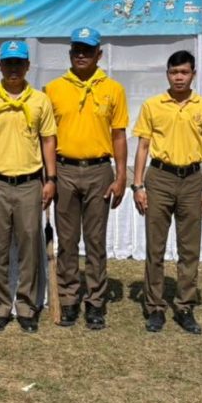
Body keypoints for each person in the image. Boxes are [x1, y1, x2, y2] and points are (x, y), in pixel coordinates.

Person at [43, 27, 128, 330]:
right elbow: (46, 137)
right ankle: (68, 299)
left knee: (95, 241)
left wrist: (121, 175)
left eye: (88, 50)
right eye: (77, 49)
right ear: (69, 53)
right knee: (67, 241)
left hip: (99, 171)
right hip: (64, 170)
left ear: (98, 54)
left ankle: (95, 302)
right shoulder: (53, 89)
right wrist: (48, 177)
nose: (81, 55)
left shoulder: (113, 89)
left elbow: (119, 135)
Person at [131, 50, 202, 335]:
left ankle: (184, 306)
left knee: (189, 248)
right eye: (173, 72)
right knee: (155, 247)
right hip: (159, 178)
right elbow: (143, 146)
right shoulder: (153, 105)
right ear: (167, 74)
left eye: (184, 72)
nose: (178, 77)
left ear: (193, 74)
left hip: (191, 180)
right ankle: (155, 307)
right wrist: (138, 185)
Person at [0, 41, 58, 333]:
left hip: (29, 184)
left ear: (27, 66)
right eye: (8, 63)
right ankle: (0, 306)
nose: (13, 69)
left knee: (29, 248)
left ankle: (26, 306)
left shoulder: (40, 101)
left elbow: (48, 140)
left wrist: (51, 179)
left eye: (18, 63)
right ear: (0, 66)